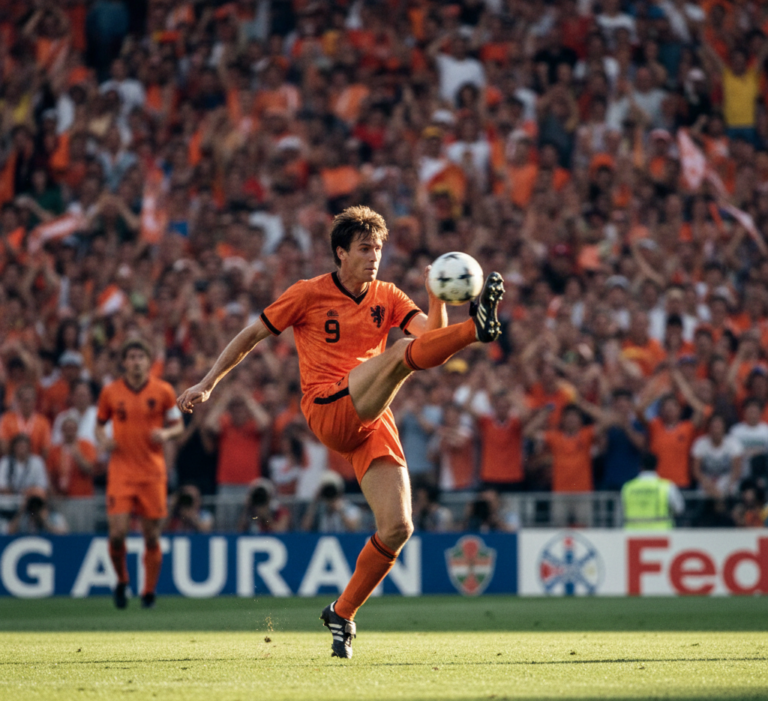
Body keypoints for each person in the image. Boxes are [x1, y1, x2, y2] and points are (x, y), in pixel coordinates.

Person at [177, 205, 504, 658]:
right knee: (402, 352)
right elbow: (252, 335)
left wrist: (437, 299)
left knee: (398, 527)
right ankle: (477, 330)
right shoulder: (308, 294)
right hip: (327, 406)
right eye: (365, 248)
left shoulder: (387, 295)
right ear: (340, 252)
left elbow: (433, 344)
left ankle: (342, 612)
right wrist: (207, 381)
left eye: (379, 248)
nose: (374, 257)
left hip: (371, 417)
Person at [95, 339, 183, 610]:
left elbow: (178, 425)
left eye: (140, 357)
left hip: (152, 473)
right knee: (118, 534)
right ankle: (122, 581)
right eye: (131, 357)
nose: (135, 361)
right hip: (121, 472)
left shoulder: (164, 390)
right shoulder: (111, 392)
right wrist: (103, 440)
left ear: (148, 360)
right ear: (124, 362)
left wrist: (165, 433)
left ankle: (148, 592)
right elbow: (99, 426)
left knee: (152, 536)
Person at [621, 453, 684, 530]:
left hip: (633, 535)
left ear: (640, 467)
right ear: (656, 466)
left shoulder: (628, 487)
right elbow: (679, 509)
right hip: (661, 535)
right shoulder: (667, 487)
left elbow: (622, 510)